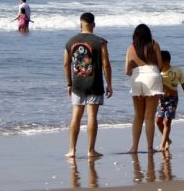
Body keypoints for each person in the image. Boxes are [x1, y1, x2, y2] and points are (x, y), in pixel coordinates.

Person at [63, 12, 113, 158]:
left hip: (77, 84)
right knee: (92, 116)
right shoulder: (100, 42)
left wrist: (69, 84)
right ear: (94, 25)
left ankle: (72, 150)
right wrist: (109, 84)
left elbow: (66, 64)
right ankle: (91, 150)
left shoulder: (70, 42)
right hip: (94, 83)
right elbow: (106, 64)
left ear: (80, 25)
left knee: (76, 116)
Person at [125, 23, 164, 154]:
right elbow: (160, 64)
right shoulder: (154, 44)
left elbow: (127, 70)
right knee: (149, 117)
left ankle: (134, 147)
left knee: (138, 116)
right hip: (152, 75)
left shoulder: (131, 48)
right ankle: (149, 148)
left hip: (137, 77)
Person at [157, 50, 184, 152]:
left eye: (160, 61)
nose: (158, 63)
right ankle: (167, 139)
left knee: (167, 121)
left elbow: (183, 83)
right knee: (158, 121)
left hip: (172, 98)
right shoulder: (158, 72)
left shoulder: (177, 70)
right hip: (161, 99)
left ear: (166, 61)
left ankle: (162, 144)